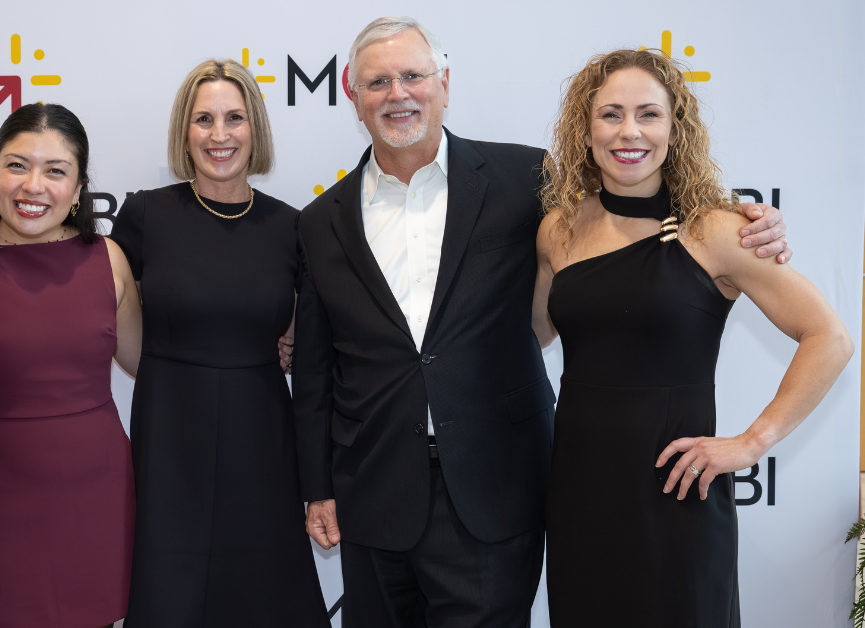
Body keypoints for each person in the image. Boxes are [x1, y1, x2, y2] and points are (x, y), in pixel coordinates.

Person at [292, 17, 793, 628]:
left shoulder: (524, 179)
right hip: (375, 492)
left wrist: (748, 219)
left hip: (495, 488)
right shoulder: (319, 221)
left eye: (413, 76)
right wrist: (318, 486)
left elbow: (630, 201)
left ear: (444, 83)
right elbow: (315, 371)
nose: (398, 93)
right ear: (352, 93)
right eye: (378, 82)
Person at [533, 49, 851, 627]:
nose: (629, 131)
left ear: (675, 129)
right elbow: (533, 332)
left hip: (678, 489)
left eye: (649, 114)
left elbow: (830, 337)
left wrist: (752, 442)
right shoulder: (558, 228)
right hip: (580, 488)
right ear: (585, 129)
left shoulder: (717, 231)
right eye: (610, 114)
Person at [109, 59, 329, 627]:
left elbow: (317, 328)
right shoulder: (145, 215)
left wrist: (294, 334)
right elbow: (98, 309)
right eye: (203, 119)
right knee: (168, 590)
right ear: (184, 131)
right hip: (168, 435)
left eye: (234, 118)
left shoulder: (292, 227)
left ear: (255, 128)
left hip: (262, 436)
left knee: (264, 593)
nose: (219, 134)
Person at [0, 103, 141, 628]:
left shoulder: (108, 259)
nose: (33, 186)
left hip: (95, 493)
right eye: (17, 165)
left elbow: (148, 363)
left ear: (78, 190)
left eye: (56, 170)